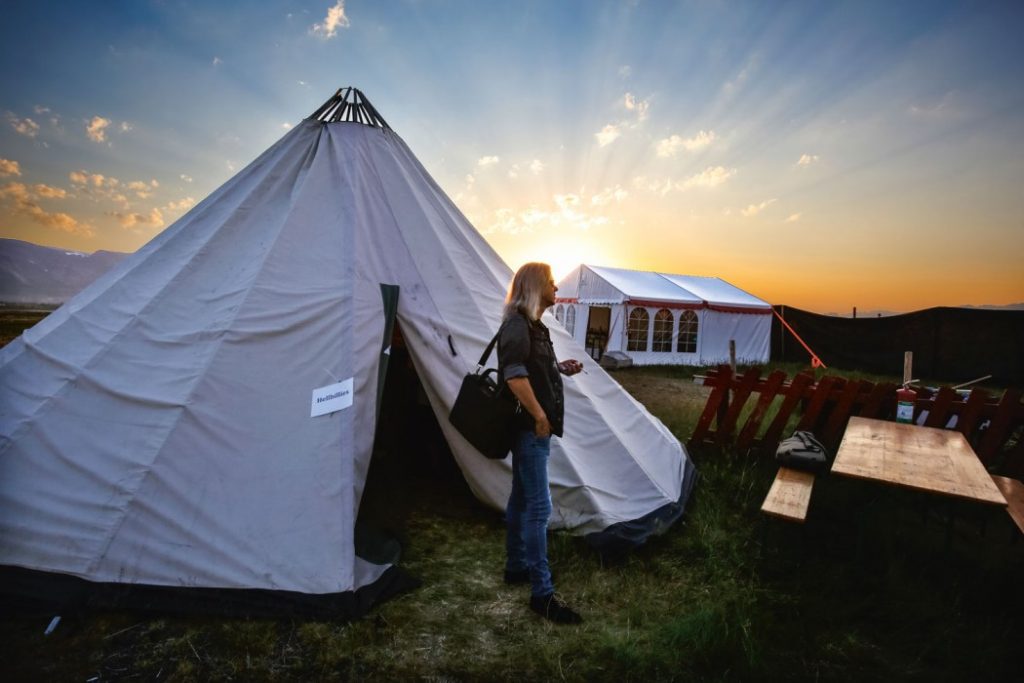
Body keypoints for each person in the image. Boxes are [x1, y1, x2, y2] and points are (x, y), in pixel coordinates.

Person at [497, 262, 585, 625]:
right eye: (550, 282)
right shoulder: (518, 324)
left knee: (520, 498)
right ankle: (542, 594)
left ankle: (516, 566)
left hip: (531, 428)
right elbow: (514, 375)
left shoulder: (534, 326)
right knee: (538, 508)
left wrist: (558, 368)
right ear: (535, 287)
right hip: (530, 430)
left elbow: (530, 368)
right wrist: (540, 416)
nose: (555, 287)